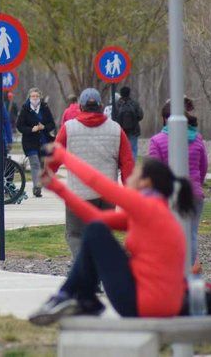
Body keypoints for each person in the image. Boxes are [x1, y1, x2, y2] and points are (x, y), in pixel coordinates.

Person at [29, 146, 191, 325]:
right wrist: (57, 187)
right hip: (163, 306)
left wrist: (63, 156)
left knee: (96, 231)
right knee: (96, 230)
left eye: (135, 173)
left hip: (141, 304)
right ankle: (83, 298)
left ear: (146, 182)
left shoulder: (147, 206)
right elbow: (96, 218)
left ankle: (70, 295)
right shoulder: (156, 212)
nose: (129, 177)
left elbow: (98, 183)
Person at [55, 88, 134, 257]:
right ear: (101, 106)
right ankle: (102, 267)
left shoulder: (69, 128)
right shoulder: (116, 129)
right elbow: (127, 162)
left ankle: (86, 268)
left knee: (75, 234)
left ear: (81, 107)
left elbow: (54, 156)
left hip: (79, 194)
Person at [148, 97, 207, 268]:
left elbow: (154, 172)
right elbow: (203, 166)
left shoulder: (157, 141)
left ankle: (171, 270)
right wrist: (196, 184)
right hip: (194, 194)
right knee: (191, 235)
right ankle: (187, 271)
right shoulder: (197, 138)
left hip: (168, 195)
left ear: (165, 118)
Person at [16, 88, 56, 198]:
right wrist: (31, 129)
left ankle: (39, 184)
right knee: (35, 164)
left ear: (40, 97)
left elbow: (52, 124)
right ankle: (36, 187)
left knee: (42, 165)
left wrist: (44, 127)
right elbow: (19, 126)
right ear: (29, 97)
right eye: (33, 96)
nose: (35, 98)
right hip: (29, 141)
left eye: (37, 96)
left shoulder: (44, 108)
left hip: (43, 141)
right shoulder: (25, 109)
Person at [114, 86, 144, 159]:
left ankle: (123, 164)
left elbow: (114, 118)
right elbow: (140, 116)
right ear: (129, 93)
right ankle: (132, 164)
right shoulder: (135, 104)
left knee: (122, 150)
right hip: (133, 131)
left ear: (121, 94)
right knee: (133, 149)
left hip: (120, 131)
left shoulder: (117, 104)